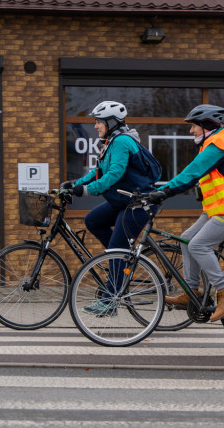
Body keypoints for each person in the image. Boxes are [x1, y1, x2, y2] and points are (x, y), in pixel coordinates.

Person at [148, 104, 224, 322]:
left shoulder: (219, 144)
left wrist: (163, 192)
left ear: (206, 125)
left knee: (198, 245)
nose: (191, 131)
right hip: (220, 209)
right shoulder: (211, 144)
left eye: (194, 126)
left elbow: (191, 173)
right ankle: (192, 291)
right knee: (186, 240)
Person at [62, 100, 159, 315]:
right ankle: (121, 259)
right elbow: (98, 172)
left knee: (116, 249)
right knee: (93, 221)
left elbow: (115, 174)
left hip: (138, 203)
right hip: (123, 201)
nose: (96, 126)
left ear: (112, 122)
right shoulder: (111, 141)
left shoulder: (122, 142)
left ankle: (110, 302)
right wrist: (75, 184)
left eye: (99, 122)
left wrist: (87, 191)